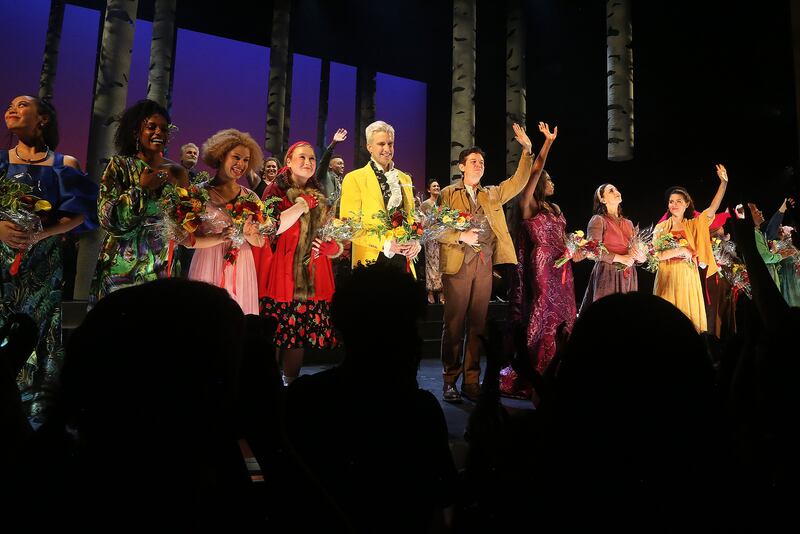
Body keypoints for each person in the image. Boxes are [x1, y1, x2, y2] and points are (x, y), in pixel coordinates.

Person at [437, 122, 553, 403]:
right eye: (473, 162)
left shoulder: (491, 194)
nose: (478, 166)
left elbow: (517, 181)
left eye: (481, 162)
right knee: (454, 325)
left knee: (477, 325)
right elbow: (436, 228)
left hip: (484, 265)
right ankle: (450, 380)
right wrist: (460, 235)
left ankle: (472, 381)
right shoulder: (448, 194)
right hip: (457, 265)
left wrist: (527, 150)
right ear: (462, 167)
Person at [0, 95, 98, 420]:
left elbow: (81, 215)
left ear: (43, 119)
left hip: (44, 264)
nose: (12, 109)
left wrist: (40, 234)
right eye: (10, 105)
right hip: (2, 264)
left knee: (42, 335)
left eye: (22, 105)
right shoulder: (1, 161)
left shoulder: (63, 164)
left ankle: (34, 419)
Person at [89, 99, 189, 304]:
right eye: (151, 127)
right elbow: (107, 219)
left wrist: (185, 227)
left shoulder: (178, 172)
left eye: (164, 128)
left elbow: (184, 217)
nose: (159, 133)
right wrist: (141, 189)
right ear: (135, 132)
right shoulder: (119, 165)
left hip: (163, 262)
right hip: (122, 265)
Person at [260, 141, 341, 385]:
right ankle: (267, 387)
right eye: (302, 158)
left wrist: (331, 248)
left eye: (312, 159)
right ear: (289, 161)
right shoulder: (275, 190)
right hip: (280, 272)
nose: (308, 163)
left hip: (312, 272)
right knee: (274, 332)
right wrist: (302, 204)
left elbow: (332, 235)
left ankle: (291, 386)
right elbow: (271, 228)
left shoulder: (320, 193)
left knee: (297, 336)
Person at [501, 125, 569, 400]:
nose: (552, 184)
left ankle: (560, 367)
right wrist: (547, 143)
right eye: (548, 180)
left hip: (563, 266)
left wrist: (574, 250)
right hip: (541, 266)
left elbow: (563, 237)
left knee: (564, 315)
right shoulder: (527, 205)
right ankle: (536, 367)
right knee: (543, 312)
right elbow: (537, 168)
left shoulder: (556, 209)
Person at [186, 129, 266, 314]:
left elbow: (261, 241)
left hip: (242, 265)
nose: (241, 164)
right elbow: (187, 240)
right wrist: (219, 237)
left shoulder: (251, 197)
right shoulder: (198, 194)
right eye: (236, 157)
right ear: (221, 155)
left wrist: (249, 235)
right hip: (207, 261)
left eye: (246, 160)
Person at [652, 164, 728, 332]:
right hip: (667, 276)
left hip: (688, 277)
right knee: (666, 319)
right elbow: (655, 255)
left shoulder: (693, 225)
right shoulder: (661, 227)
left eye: (679, 201)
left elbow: (712, 209)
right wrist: (680, 250)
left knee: (688, 319)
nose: (674, 204)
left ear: (687, 204)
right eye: (671, 202)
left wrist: (723, 183)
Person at [340, 120, 420, 272]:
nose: (387, 149)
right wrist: (386, 243)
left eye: (390, 144)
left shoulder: (405, 178)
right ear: (369, 147)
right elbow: (349, 227)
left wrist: (415, 242)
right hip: (371, 260)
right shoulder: (354, 178)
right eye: (381, 144)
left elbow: (412, 218)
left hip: (404, 260)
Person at [578, 183, 645, 314]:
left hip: (629, 275)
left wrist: (641, 257)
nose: (616, 191)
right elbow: (592, 252)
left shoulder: (629, 223)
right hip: (608, 273)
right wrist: (620, 258)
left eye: (616, 189)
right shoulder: (598, 220)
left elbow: (635, 251)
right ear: (603, 200)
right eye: (611, 191)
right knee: (608, 314)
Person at [420, 179, 444, 304]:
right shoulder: (425, 204)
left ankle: (441, 291)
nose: (437, 187)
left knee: (442, 264)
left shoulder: (443, 203)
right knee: (431, 265)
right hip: (430, 238)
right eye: (434, 186)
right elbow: (421, 223)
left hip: (442, 237)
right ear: (429, 189)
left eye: (438, 185)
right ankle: (430, 291)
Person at [316, 128, 347, 200]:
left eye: (343, 164)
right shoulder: (324, 176)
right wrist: (333, 143)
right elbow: (324, 162)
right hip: (325, 210)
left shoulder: (343, 182)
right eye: (339, 164)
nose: (342, 166)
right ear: (330, 165)